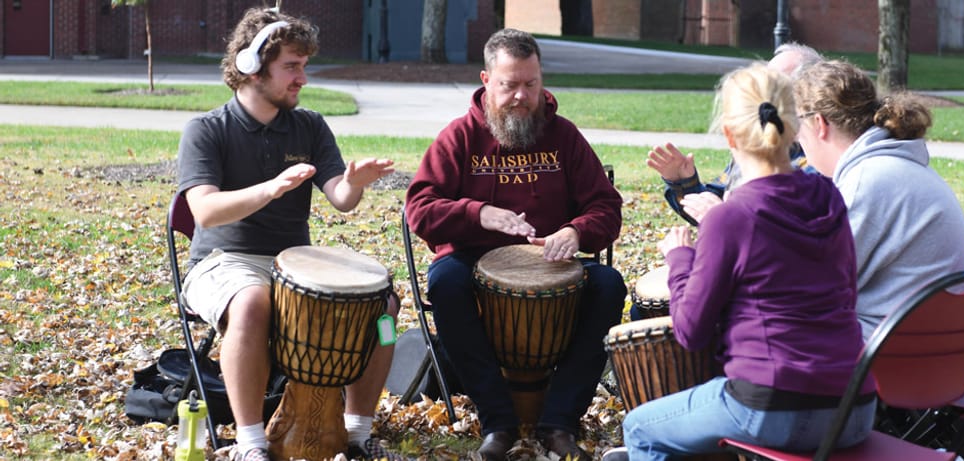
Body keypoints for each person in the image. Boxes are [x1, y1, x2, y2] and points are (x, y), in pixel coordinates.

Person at [602, 63, 875, 461]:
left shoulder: (731, 217)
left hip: (773, 407)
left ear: (729, 134)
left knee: (641, 428)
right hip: (856, 406)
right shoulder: (829, 196)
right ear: (793, 127)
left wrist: (680, 259)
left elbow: (690, 332)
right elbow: (846, 292)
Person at [176, 8, 402, 461]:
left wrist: (353, 184)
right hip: (222, 262)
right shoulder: (206, 130)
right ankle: (251, 443)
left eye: (304, 66)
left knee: (384, 307)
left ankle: (357, 433)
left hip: (292, 265)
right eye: (291, 67)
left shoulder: (310, 125)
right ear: (250, 67)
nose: (302, 78)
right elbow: (204, 211)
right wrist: (270, 188)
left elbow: (339, 196)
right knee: (253, 301)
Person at [404, 28, 625, 461]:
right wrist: (476, 213)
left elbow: (606, 207)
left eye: (531, 84)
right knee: (445, 282)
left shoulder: (563, 136)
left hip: (552, 261)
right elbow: (419, 209)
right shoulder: (460, 138)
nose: (522, 97)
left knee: (609, 284)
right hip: (470, 261)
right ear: (487, 81)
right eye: (510, 85)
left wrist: (576, 231)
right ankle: (497, 422)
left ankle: (559, 420)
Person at [791, 59, 964, 339]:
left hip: (888, 360)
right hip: (933, 351)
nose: (796, 138)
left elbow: (809, 290)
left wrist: (730, 230)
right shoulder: (893, 167)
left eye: (796, 125)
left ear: (819, 124)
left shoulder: (868, 180)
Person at [645, 42, 822, 228]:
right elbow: (713, 203)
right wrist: (683, 182)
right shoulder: (755, 142)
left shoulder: (817, 159)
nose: (764, 92)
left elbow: (784, 238)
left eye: (777, 85)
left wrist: (723, 219)